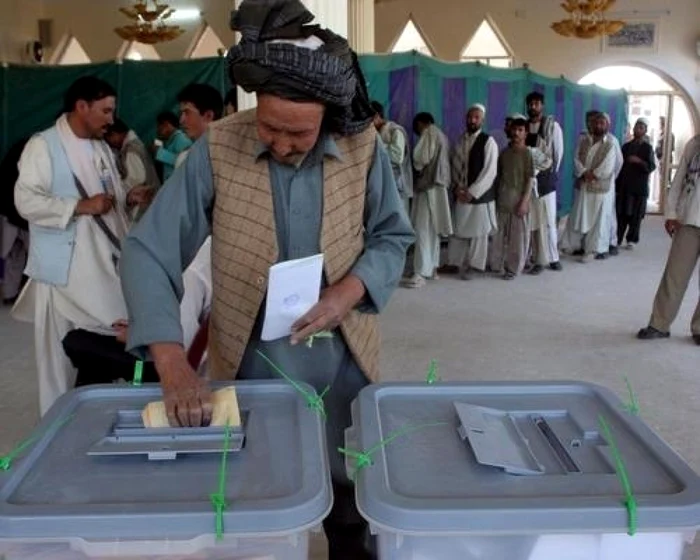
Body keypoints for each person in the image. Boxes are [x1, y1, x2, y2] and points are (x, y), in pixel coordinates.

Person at [119, 2, 414, 559]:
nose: (280, 143)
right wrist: (172, 361)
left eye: (298, 132)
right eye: (269, 126)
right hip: (250, 361)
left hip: (342, 359)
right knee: (255, 503)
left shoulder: (363, 147)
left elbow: (392, 237)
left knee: (353, 500)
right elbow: (148, 250)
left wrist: (346, 294)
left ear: (328, 112)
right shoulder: (218, 147)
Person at [12, 76, 132, 415]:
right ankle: (56, 426)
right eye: (105, 111)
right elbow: (26, 201)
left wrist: (129, 200)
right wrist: (80, 206)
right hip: (61, 273)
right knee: (57, 361)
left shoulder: (101, 147)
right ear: (82, 106)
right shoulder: (43, 145)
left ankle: (97, 416)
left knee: (108, 343)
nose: (111, 119)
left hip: (103, 270)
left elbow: (112, 199)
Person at [637, 134, 700, 345]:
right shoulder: (694, 144)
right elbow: (680, 178)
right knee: (674, 275)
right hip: (689, 218)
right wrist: (671, 213)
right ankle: (659, 324)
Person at [444, 104, 498, 280]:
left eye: (476, 117)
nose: (472, 120)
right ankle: (454, 263)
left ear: (482, 120)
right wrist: (457, 189)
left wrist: (472, 192)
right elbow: (453, 165)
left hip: (479, 197)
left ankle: (476, 266)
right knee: (457, 230)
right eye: (470, 117)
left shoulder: (488, 142)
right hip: (460, 193)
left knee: (479, 234)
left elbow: (490, 171)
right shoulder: (460, 141)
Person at [401, 112, 452, 289]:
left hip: (428, 187)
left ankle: (420, 273)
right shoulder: (442, 135)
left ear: (422, 123)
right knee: (433, 230)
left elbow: (420, 159)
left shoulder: (430, 132)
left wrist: (415, 166)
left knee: (422, 229)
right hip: (439, 187)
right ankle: (432, 269)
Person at [561, 112, 617, 261]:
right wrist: (584, 173)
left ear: (607, 125)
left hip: (600, 189)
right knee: (579, 216)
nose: (598, 126)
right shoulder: (584, 141)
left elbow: (610, 166)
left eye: (602, 123)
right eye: (596, 123)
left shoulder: (611, 144)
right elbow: (576, 159)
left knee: (598, 221)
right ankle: (574, 246)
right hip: (585, 186)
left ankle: (594, 249)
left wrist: (594, 175)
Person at [490, 117, 534, 280]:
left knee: (518, 237)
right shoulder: (504, 153)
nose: (516, 133)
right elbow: (499, 177)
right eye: (514, 129)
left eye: (520, 130)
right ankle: (496, 264)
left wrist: (524, 202)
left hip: (519, 200)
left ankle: (513, 268)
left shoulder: (527, 153)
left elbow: (530, 179)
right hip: (503, 198)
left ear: (525, 133)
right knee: (498, 235)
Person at [525, 91, 564, 271]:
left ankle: (553, 257)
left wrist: (548, 174)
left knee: (548, 221)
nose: (533, 107)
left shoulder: (552, 126)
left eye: (537, 103)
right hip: (528, 182)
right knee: (533, 222)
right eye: (531, 104)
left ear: (542, 106)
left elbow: (558, 153)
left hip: (546, 181)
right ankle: (536, 258)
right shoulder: (523, 127)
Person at [105, 118, 161, 220]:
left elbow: (136, 180)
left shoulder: (131, 150)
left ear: (115, 133)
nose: (110, 143)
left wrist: (117, 187)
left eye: (109, 138)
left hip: (145, 204)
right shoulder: (135, 143)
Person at [616, 118, 656, 249]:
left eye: (641, 127)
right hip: (625, 186)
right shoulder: (626, 147)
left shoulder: (648, 148)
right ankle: (617, 238)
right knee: (621, 213)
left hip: (639, 188)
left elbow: (651, 166)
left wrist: (639, 161)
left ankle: (631, 240)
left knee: (636, 215)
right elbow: (619, 167)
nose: (637, 129)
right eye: (636, 127)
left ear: (645, 131)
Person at [0, 138, 30, 304]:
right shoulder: (33, 155)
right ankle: (13, 295)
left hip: (12, 214)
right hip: (21, 216)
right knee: (30, 257)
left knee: (12, 255)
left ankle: (10, 294)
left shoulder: (17, 151)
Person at [370, 100, 413, 214]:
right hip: (382, 184)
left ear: (376, 116)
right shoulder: (375, 133)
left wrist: (377, 146)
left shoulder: (395, 130)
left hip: (397, 185)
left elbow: (397, 156)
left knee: (399, 218)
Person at [175, 83, 225, 167]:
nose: (181, 120)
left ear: (208, 115)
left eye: (187, 113)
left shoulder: (188, 158)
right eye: (181, 113)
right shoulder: (188, 155)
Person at [153, 111, 192, 181]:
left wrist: (160, 153)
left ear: (167, 124)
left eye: (159, 126)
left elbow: (188, 163)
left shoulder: (181, 139)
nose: (158, 130)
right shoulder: (169, 141)